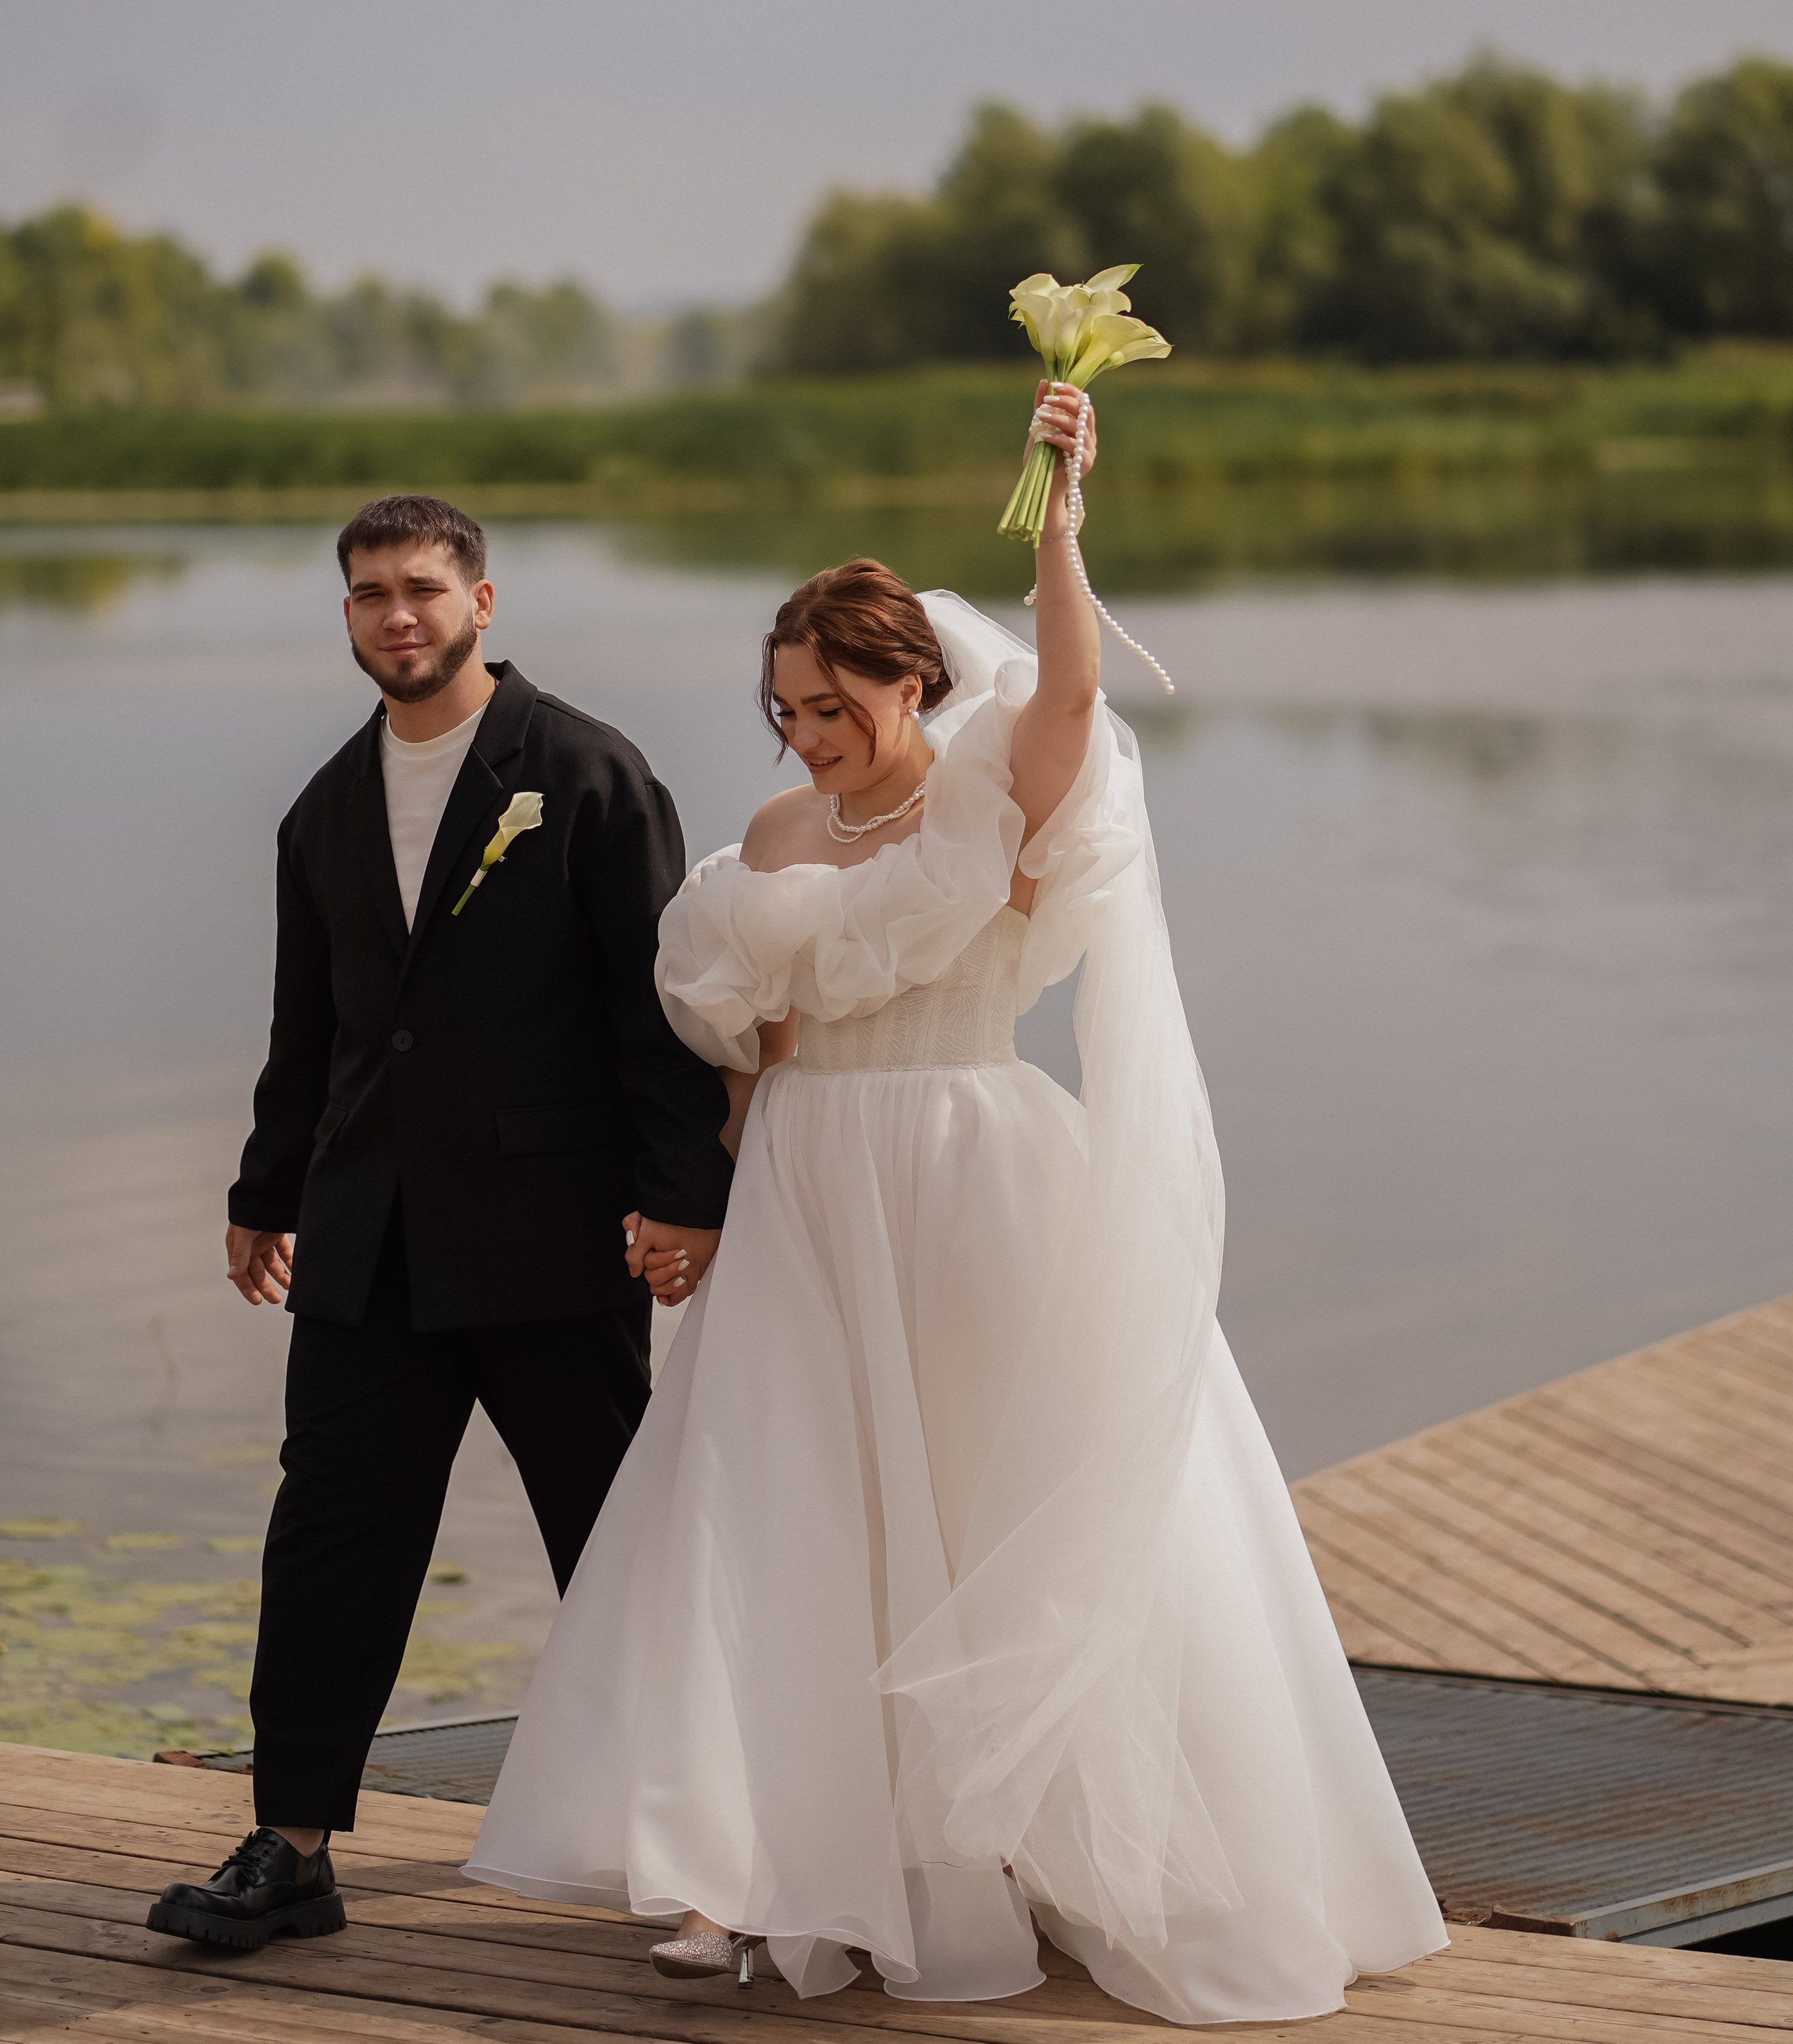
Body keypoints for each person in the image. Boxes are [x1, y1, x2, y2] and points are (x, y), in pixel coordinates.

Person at [464, 390, 1446, 2024]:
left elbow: (1068, 683)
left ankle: (1000, 1853)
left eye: (831, 701)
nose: (803, 735)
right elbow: (744, 1059)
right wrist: (687, 1206)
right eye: (781, 708)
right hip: (801, 1189)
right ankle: (750, 1869)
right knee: (771, 1511)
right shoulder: (772, 837)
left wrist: (1061, 514)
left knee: (988, 1504)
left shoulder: (998, 792)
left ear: (909, 676)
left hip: (970, 1177)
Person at [148, 493, 735, 1953]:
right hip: (367, 1247)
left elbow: (649, 1015)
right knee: (331, 1538)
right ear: (345, 617)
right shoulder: (325, 807)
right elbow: (314, 1031)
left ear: (484, 601)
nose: (394, 615)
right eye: (365, 595)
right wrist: (263, 1194)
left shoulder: (587, 774)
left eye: (419, 587)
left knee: (615, 1542)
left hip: (553, 1243)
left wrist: (680, 1199)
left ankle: (705, 1842)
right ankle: (290, 1847)